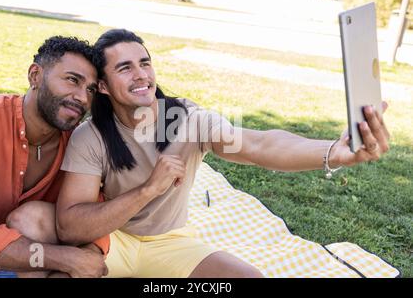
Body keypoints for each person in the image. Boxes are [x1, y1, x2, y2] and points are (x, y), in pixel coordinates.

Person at [56, 29, 390, 278]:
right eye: (125, 68)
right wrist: (149, 190)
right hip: (115, 241)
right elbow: (71, 225)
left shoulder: (188, 120)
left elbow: (260, 145)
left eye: (145, 63)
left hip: (170, 241)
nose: (141, 74)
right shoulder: (92, 136)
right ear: (102, 85)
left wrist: (334, 151)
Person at [0, 36, 109, 278]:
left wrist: (88, 256)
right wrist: (68, 260)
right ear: (35, 76)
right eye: (73, 80)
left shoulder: (80, 143)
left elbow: (95, 215)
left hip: (25, 260)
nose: (83, 98)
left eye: (91, 89)